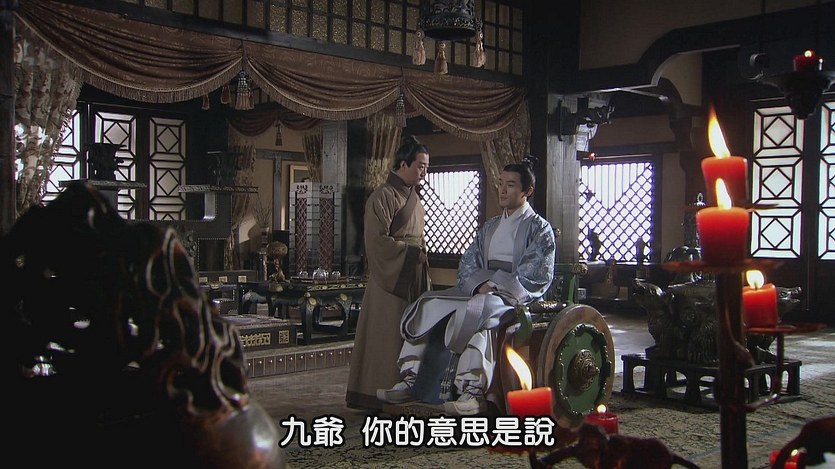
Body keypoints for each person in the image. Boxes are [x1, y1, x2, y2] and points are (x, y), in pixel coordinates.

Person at [377, 159, 556, 415]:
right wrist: (479, 284)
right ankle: (411, 379)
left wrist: (494, 285)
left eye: (511, 185)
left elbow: (534, 272)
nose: (502, 190)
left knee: (478, 312)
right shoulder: (490, 227)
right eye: (501, 184)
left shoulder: (540, 229)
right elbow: (469, 261)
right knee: (429, 305)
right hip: (481, 289)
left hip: (512, 297)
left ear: (527, 191)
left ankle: (472, 389)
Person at [345, 135, 432, 411]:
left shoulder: (414, 198)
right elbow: (376, 242)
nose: (424, 172)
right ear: (403, 164)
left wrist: (418, 257)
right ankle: (376, 391)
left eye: (426, 167)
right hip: (391, 279)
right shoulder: (381, 197)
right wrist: (410, 254)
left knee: (415, 332)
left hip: (413, 273)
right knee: (387, 335)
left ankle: (410, 388)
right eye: (420, 166)